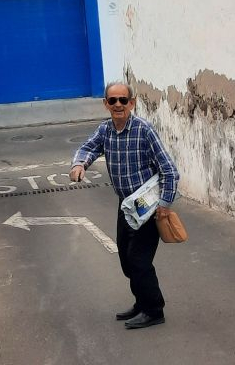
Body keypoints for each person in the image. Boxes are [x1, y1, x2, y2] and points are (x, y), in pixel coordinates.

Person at [70, 82, 180, 330]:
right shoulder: (106, 130)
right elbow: (89, 148)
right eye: (112, 100)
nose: (118, 105)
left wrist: (164, 204)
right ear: (105, 104)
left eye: (123, 100)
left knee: (138, 260)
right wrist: (79, 165)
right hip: (126, 204)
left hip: (147, 203)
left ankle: (154, 310)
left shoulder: (144, 130)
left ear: (132, 103)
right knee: (126, 260)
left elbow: (169, 170)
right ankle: (141, 303)